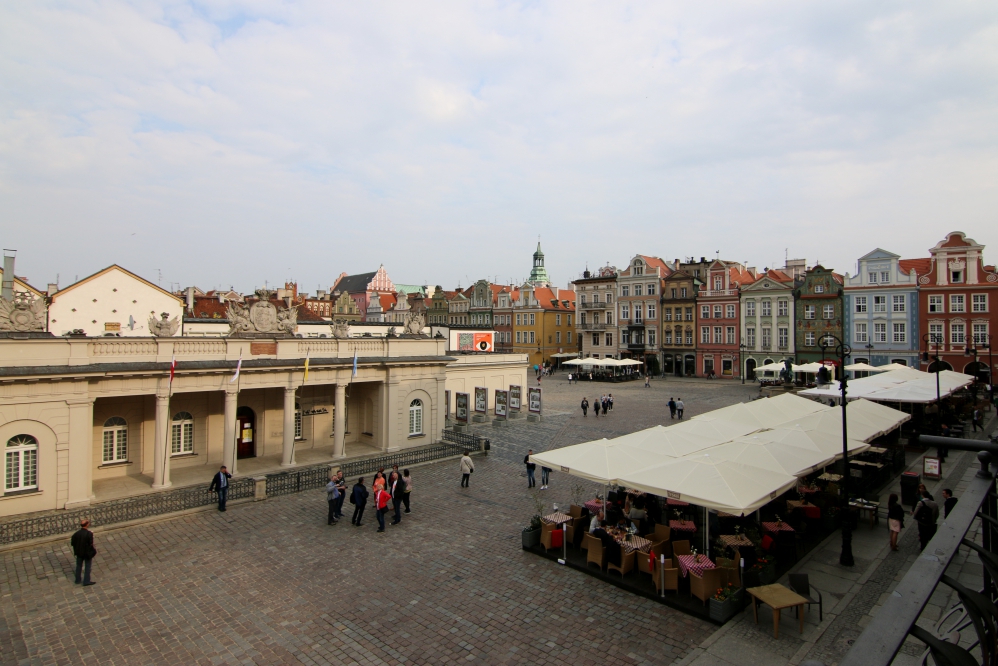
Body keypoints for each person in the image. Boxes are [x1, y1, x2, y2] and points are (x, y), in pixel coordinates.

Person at [71, 519, 97, 586]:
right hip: (86, 553)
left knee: (78, 566)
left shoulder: (76, 534)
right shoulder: (89, 534)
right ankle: (86, 581)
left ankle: (77, 580)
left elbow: (72, 543)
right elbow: (90, 543)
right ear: (87, 524)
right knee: (88, 566)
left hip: (79, 552)